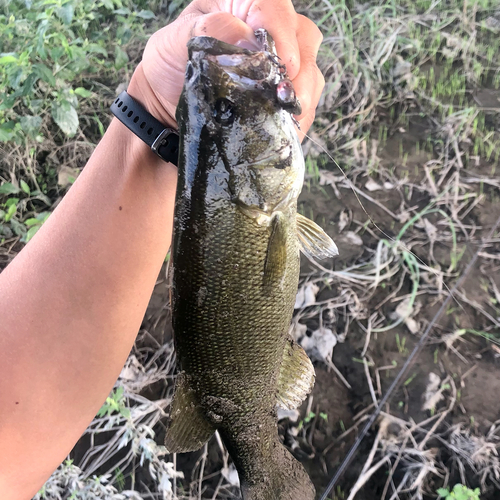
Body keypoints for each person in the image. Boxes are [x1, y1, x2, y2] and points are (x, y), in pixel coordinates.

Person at [0, 1, 325, 498]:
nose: (220, 100)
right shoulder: (268, 206)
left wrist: (153, 110)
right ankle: (264, 465)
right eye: (219, 109)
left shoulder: (260, 200)